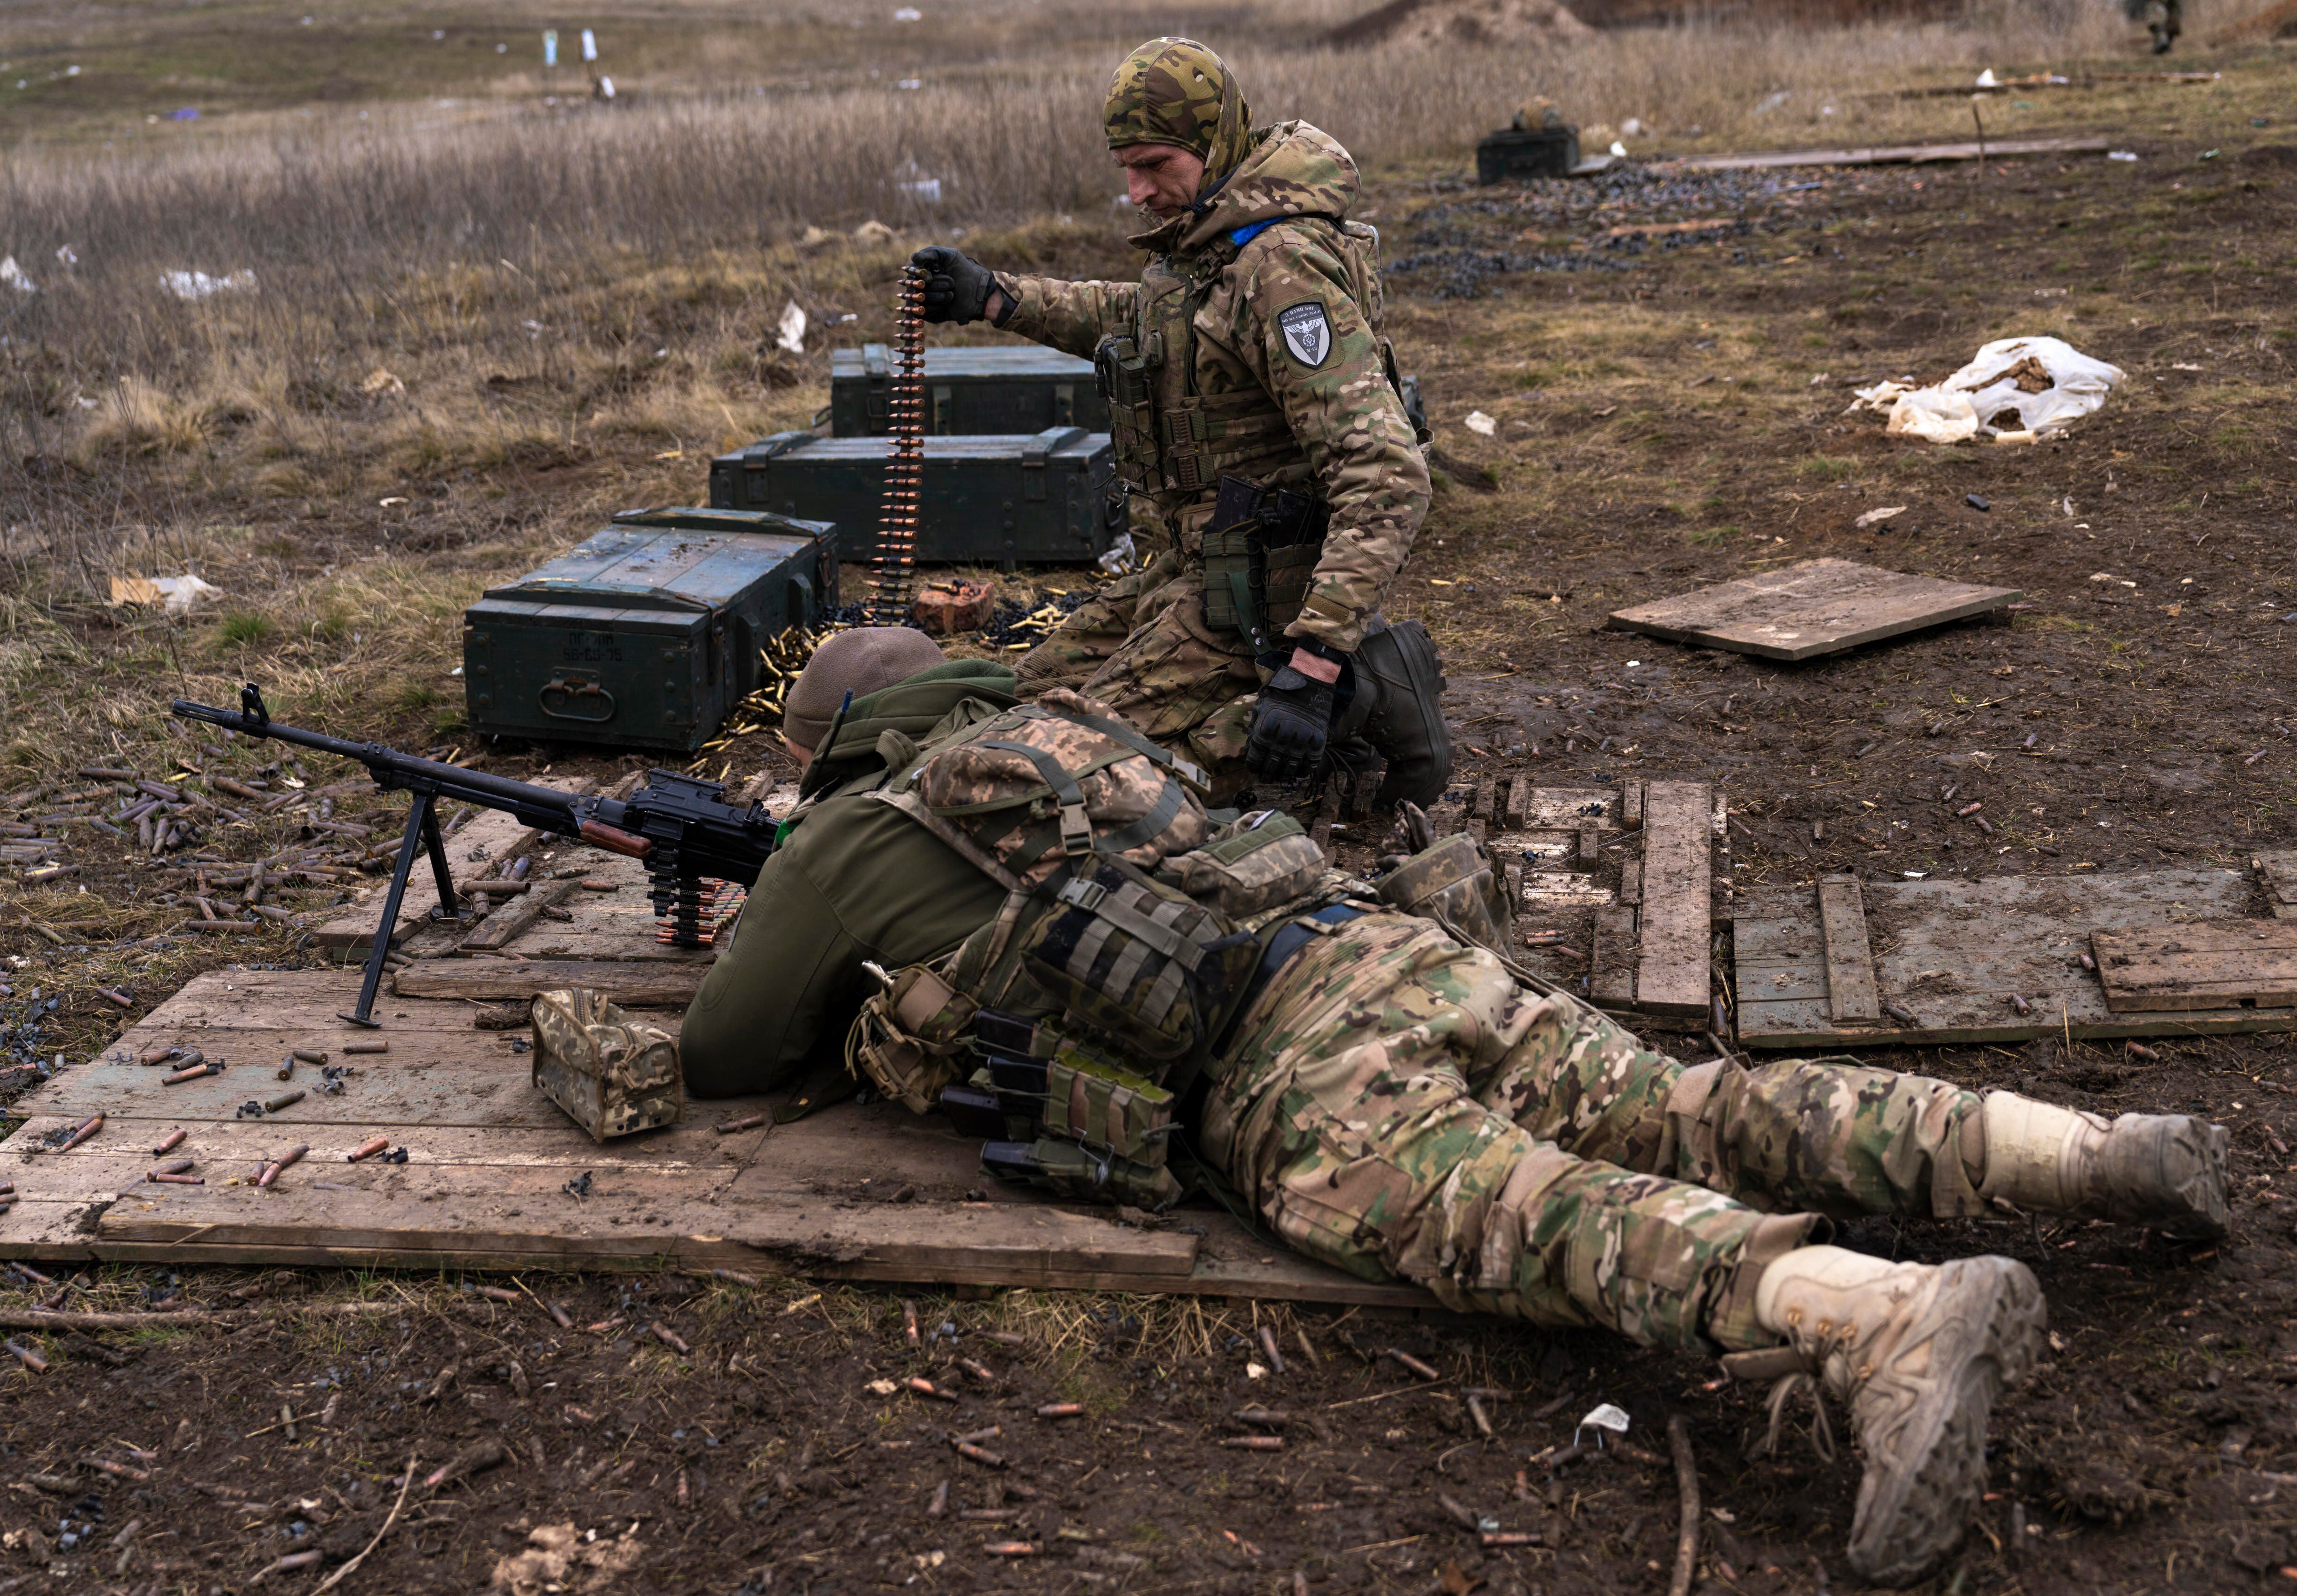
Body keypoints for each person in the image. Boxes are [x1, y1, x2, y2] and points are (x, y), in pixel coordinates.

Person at [678, 631, 2231, 1587]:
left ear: (834, 745)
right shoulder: (1068, 726)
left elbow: (725, 1052)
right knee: (1697, 1105)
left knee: (1545, 1217)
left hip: (1289, 1066)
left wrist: (764, 899)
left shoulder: (845, 833)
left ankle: (1886, 1318)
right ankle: (2085, 1151)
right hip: (1395, 944)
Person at [909, 37, 1440, 799]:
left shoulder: (1278, 268)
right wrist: (998, 296)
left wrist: (1315, 665)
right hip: (1186, 572)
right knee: (1009, 706)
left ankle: (1361, 696)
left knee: (1047, 774)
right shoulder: (1214, 242)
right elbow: (1151, 319)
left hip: (1258, 605)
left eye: (1157, 165)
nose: (1136, 190)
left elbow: (1387, 473)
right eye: (1127, 166)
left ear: (1213, 144)